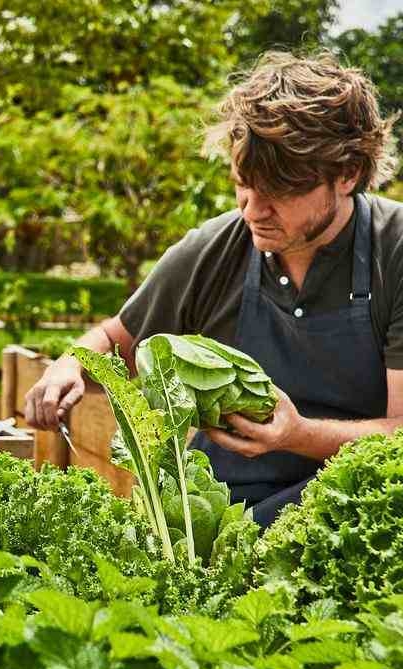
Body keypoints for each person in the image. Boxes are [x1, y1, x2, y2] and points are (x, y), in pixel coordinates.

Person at [24, 52, 403, 527]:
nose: (251, 210)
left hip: (350, 515)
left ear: (347, 174)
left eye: (278, 193)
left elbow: (401, 435)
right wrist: (71, 365)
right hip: (221, 521)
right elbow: (114, 339)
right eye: (243, 185)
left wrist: (297, 434)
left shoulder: (395, 251)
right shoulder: (215, 249)